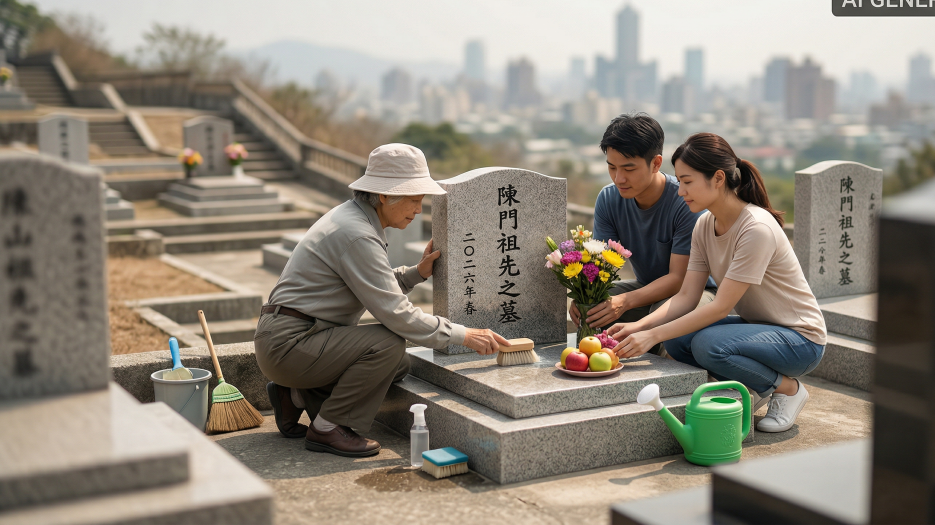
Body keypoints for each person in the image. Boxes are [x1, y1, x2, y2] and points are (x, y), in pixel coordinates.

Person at [254, 143, 510, 457]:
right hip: (290, 344)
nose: (418, 210)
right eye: (414, 200)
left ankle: (292, 397)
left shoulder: (354, 219)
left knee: (397, 364)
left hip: (295, 337)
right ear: (385, 196)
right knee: (388, 344)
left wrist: (417, 272)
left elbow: (375, 285)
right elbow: (396, 314)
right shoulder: (357, 233)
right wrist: (463, 335)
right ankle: (328, 427)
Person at [610, 133, 826, 433]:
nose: (681, 191)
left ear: (718, 178)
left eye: (687, 181)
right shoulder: (704, 224)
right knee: (676, 341)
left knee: (708, 344)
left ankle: (788, 389)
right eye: (679, 181)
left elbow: (720, 307)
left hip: (801, 340)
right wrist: (639, 328)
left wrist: (650, 335)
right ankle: (748, 385)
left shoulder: (756, 228)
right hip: (758, 330)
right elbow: (687, 295)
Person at [572, 113, 714, 340]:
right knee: (595, 306)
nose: (619, 179)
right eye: (612, 168)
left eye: (629, 169)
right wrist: (585, 297)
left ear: (656, 163)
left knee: (668, 320)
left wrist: (624, 302)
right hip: (645, 288)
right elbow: (599, 268)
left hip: (697, 292)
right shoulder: (609, 199)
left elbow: (679, 279)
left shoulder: (685, 201)